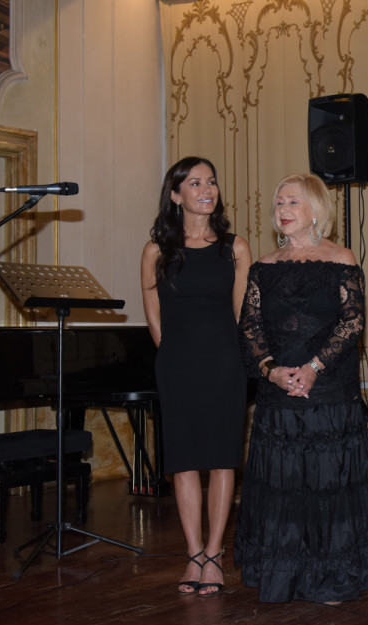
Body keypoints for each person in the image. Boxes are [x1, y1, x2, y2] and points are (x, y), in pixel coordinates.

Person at [233, 174, 368, 603]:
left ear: (316, 211)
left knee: (328, 486)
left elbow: (352, 322)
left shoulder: (341, 259)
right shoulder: (262, 268)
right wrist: (271, 371)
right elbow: (250, 328)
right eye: (277, 203)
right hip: (279, 394)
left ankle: (331, 577)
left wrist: (311, 368)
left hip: (326, 392)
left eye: (292, 202)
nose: (282, 210)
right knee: (285, 485)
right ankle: (284, 575)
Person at [141, 156, 251, 596]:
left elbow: (242, 315)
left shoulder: (235, 247)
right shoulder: (156, 251)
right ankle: (193, 555)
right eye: (195, 183)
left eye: (211, 181)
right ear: (175, 195)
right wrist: (174, 358)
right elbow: (155, 322)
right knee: (184, 461)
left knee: (223, 458)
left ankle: (215, 552)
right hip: (178, 364)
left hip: (225, 362)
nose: (207, 189)